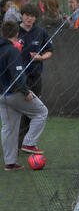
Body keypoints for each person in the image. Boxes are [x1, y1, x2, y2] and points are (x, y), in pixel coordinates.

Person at [0, 21, 48, 170]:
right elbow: (17, 75)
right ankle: (29, 143)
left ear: (2, 33)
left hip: (1, 96)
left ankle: (10, 163)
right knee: (41, 112)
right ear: (16, 34)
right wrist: (26, 91)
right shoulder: (12, 50)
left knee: (8, 128)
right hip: (14, 93)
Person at [17, 3, 53, 152]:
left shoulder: (41, 32)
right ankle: (16, 144)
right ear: (22, 15)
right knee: (17, 114)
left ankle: (28, 143)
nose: (29, 18)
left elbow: (50, 50)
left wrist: (40, 57)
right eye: (26, 15)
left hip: (35, 77)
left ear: (35, 18)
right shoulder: (14, 31)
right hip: (17, 80)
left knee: (33, 112)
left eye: (32, 16)